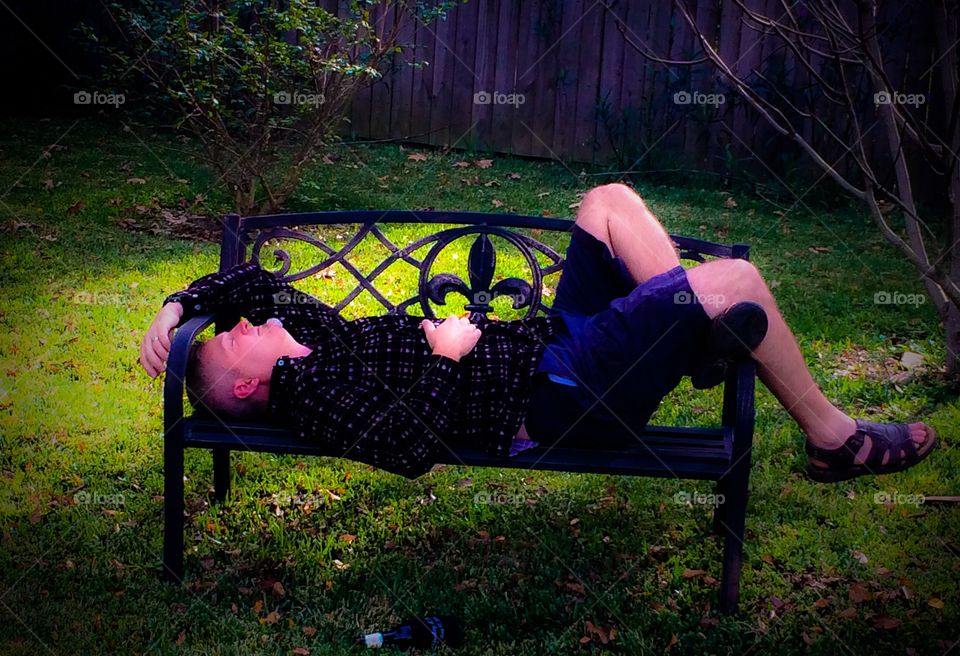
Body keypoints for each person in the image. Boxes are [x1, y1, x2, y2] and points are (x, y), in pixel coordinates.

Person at [140, 184, 937, 482]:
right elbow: (409, 448)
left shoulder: (310, 337)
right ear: (249, 382)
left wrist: (177, 307)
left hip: (550, 349)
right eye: (236, 336)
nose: (249, 321)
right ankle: (832, 436)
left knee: (607, 204)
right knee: (734, 283)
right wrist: (449, 359)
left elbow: (253, 282)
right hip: (559, 397)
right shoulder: (310, 390)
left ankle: (693, 335)